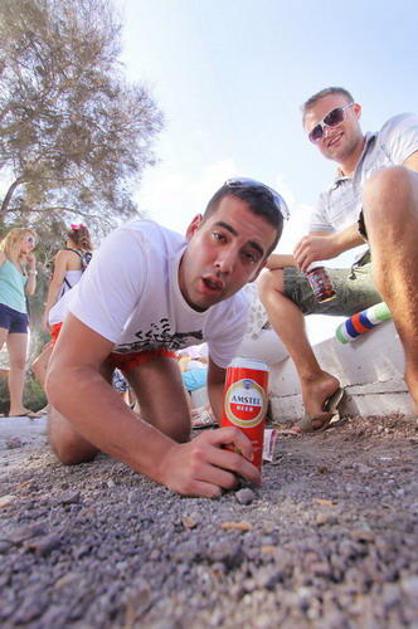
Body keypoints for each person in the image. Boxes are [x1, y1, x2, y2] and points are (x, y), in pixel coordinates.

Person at [46, 178, 288, 497]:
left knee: (173, 429)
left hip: (146, 342)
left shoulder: (233, 310)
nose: (225, 263)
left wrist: (240, 440)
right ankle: (52, 360)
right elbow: (68, 374)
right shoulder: (137, 249)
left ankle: (110, 416)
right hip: (88, 332)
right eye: (219, 237)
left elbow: (219, 383)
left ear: (257, 271)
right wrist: (166, 459)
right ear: (194, 229)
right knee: (74, 447)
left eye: (249, 255)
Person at [258, 86, 418, 432]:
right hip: (367, 274)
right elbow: (310, 255)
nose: (327, 131)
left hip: (411, 248)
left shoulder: (394, 133)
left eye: (333, 117)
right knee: (271, 282)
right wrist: (256, 257)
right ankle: (314, 381)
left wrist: (338, 241)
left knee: (386, 183)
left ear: (355, 111)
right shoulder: (326, 199)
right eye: (316, 132)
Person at [32, 224, 93, 389]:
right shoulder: (90, 258)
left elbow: (56, 283)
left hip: (65, 315)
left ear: (68, 238)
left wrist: (47, 312)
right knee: (65, 366)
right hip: (85, 318)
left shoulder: (65, 254)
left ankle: (59, 402)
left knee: (39, 366)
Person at [0, 227, 38, 417]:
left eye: (34, 242)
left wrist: (32, 268)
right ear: (17, 238)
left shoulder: (21, 266)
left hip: (20, 314)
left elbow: (30, 290)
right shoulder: (3, 256)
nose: (32, 245)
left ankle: (16, 408)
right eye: (29, 240)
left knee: (19, 362)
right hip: (2, 307)